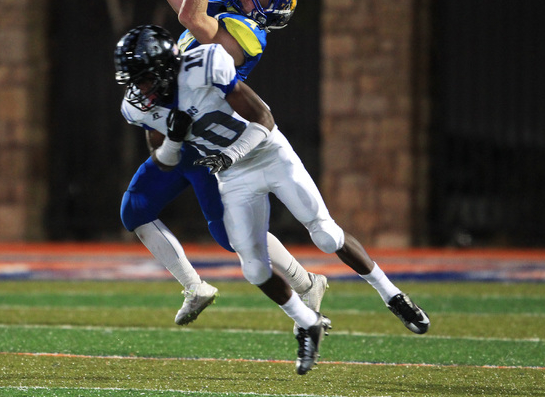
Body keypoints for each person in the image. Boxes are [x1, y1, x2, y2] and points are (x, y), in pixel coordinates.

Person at [114, 24, 430, 375]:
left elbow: (263, 118)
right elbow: (164, 160)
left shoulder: (205, 65)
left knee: (326, 234)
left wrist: (231, 155)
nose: (138, 89)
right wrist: (174, 140)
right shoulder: (141, 107)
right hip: (232, 176)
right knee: (253, 267)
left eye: (142, 79)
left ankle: (393, 296)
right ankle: (306, 322)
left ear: (163, 70)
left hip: (268, 154)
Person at [120, 0, 327, 326]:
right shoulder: (220, 8)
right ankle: (194, 287)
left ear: (270, 14)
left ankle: (306, 283)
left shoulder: (251, 35)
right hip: (175, 125)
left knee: (229, 236)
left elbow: (190, 19)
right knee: (135, 211)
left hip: (207, 142)